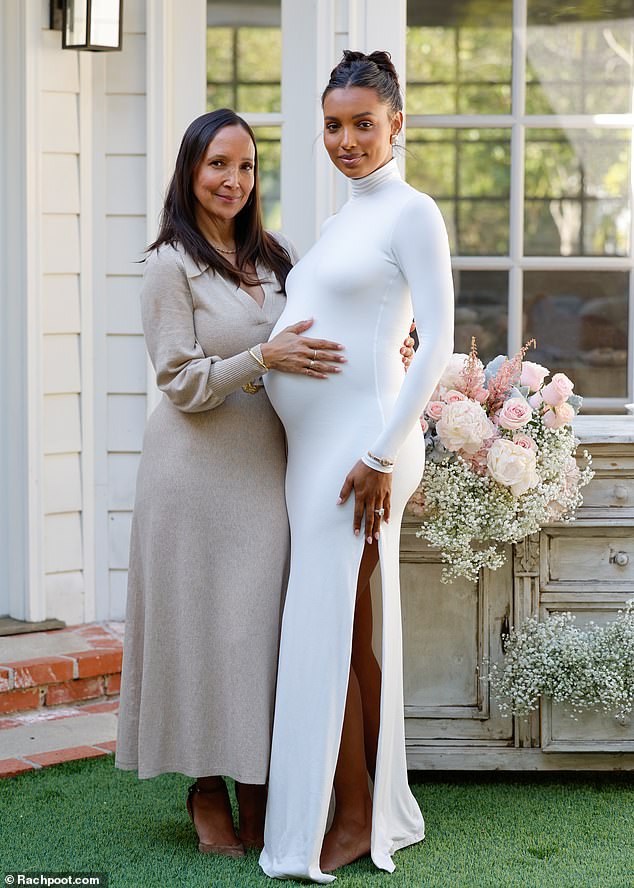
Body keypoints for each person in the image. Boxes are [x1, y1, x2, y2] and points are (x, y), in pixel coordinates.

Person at [115, 108, 415, 858]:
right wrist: (264, 360)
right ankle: (207, 784)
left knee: (257, 632)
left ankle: (262, 775)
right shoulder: (166, 266)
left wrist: (392, 337)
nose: (232, 181)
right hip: (194, 473)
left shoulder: (276, 257)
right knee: (201, 631)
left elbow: (328, 322)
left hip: (273, 470)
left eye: (245, 167)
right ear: (190, 171)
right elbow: (180, 381)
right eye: (218, 165)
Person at [259, 51, 454, 882]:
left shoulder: (413, 212)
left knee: (331, 626)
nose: (345, 139)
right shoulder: (344, 220)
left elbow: (436, 341)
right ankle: (364, 796)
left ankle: (348, 818)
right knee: (340, 628)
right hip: (317, 451)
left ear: (397, 125)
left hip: (365, 452)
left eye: (363, 124)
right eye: (334, 125)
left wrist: (380, 454)